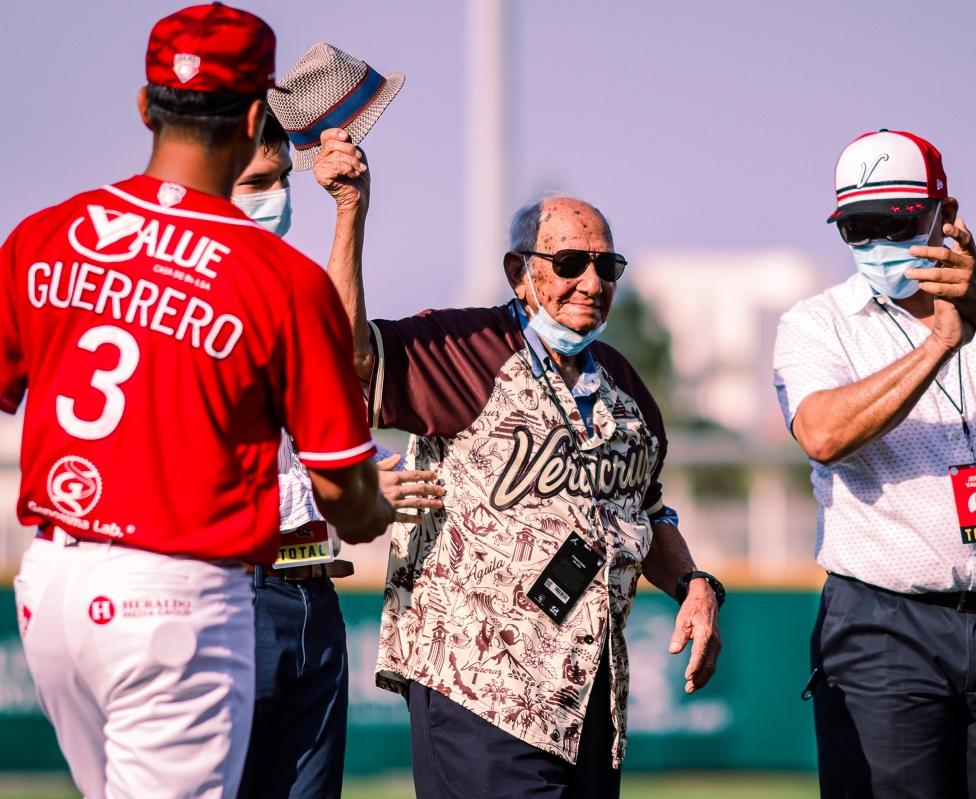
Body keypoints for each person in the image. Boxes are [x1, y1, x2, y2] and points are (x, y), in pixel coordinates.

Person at [2, 5, 394, 797]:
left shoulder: (46, 233)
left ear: (145, 108)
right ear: (256, 116)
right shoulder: (278, 277)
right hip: (174, 592)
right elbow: (343, 496)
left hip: (49, 586)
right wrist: (371, 505)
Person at [320, 176, 724, 795]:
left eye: (605, 266)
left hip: (590, 695)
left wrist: (693, 582)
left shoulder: (625, 386)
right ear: (520, 272)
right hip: (478, 686)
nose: (590, 283)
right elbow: (346, 358)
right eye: (568, 264)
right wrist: (352, 212)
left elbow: (649, 513)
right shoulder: (463, 346)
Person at [773, 129, 976, 798]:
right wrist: (938, 346)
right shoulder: (816, 321)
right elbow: (823, 434)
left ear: (945, 215)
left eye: (894, 221)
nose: (877, 243)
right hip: (883, 622)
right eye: (856, 227)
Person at [230, 111, 445, 799]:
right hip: (232, 590)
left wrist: (349, 209)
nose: (275, 196)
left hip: (311, 591)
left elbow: (344, 370)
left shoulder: (290, 287)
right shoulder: (194, 299)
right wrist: (344, 483)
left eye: (279, 179)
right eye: (257, 181)